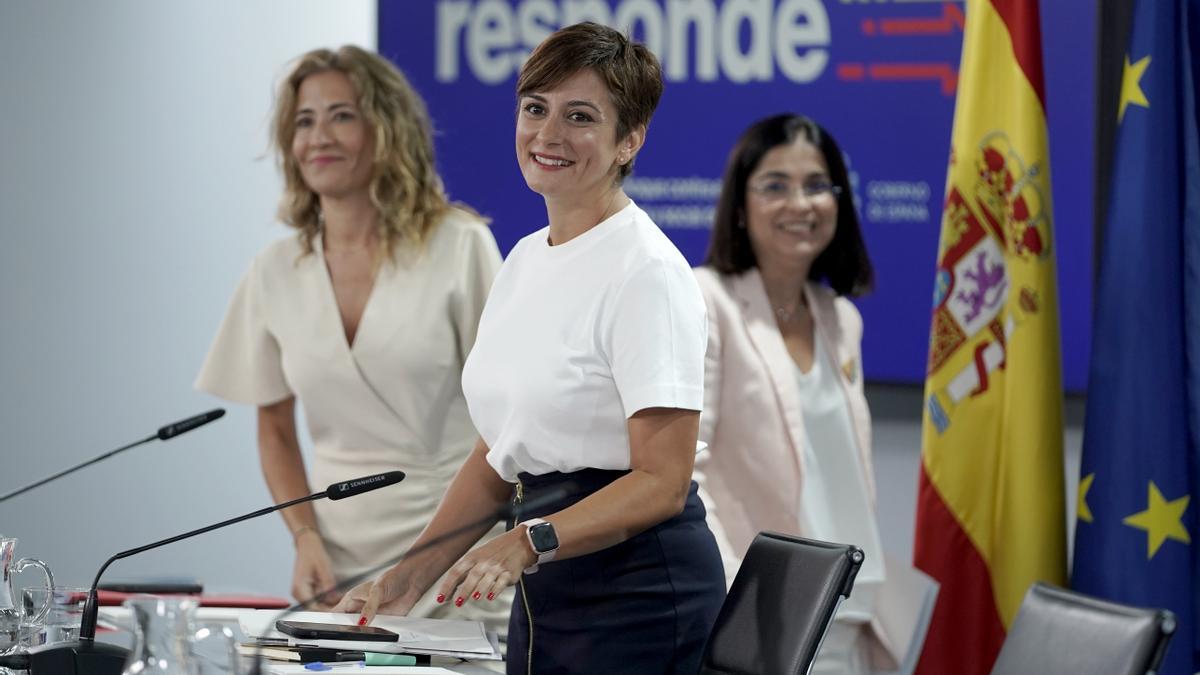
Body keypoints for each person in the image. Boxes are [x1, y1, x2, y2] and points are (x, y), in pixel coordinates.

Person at [333, 23, 725, 675]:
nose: (547, 134)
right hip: (548, 581)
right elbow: (497, 453)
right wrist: (405, 580)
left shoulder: (646, 270)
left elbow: (662, 480)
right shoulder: (523, 258)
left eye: (580, 116)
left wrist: (529, 538)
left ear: (629, 139)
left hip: (641, 594)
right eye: (535, 108)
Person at [195, 45, 510, 631]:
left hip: (454, 550)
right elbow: (274, 428)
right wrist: (304, 537)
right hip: (337, 564)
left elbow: (510, 418)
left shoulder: (458, 246)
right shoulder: (275, 270)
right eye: (304, 121)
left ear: (385, 130)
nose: (320, 136)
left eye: (342, 115)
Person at [694, 113, 908, 674]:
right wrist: (733, 591)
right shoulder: (706, 301)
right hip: (763, 617)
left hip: (852, 615)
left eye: (817, 185)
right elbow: (685, 475)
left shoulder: (841, 317)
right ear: (740, 204)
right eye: (775, 186)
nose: (801, 203)